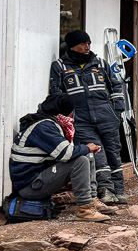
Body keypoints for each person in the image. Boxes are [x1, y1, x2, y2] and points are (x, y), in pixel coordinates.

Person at [49, 29, 129, 204]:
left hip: (107, 116)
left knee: (114, 152)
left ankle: (119, 190)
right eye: (83, 43)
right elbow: (56, 94)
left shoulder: (100, 63)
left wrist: (117, 111)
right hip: (81, 120)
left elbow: (116, 87)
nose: (87, 46)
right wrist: (67, 118)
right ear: (72, 46)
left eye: (89, 43)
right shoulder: (60, 67)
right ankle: (106, 190)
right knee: (96, 153)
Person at [10, 92, 108, 220]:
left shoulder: (48, 123)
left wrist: (86, 149)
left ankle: (91, 199)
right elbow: (66, 154)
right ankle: (85, 210)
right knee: (81, 160)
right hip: (29, 187)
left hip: (37, 180)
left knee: (86, 154)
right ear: (67, 111)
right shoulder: (43, 127)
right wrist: (86, 147)